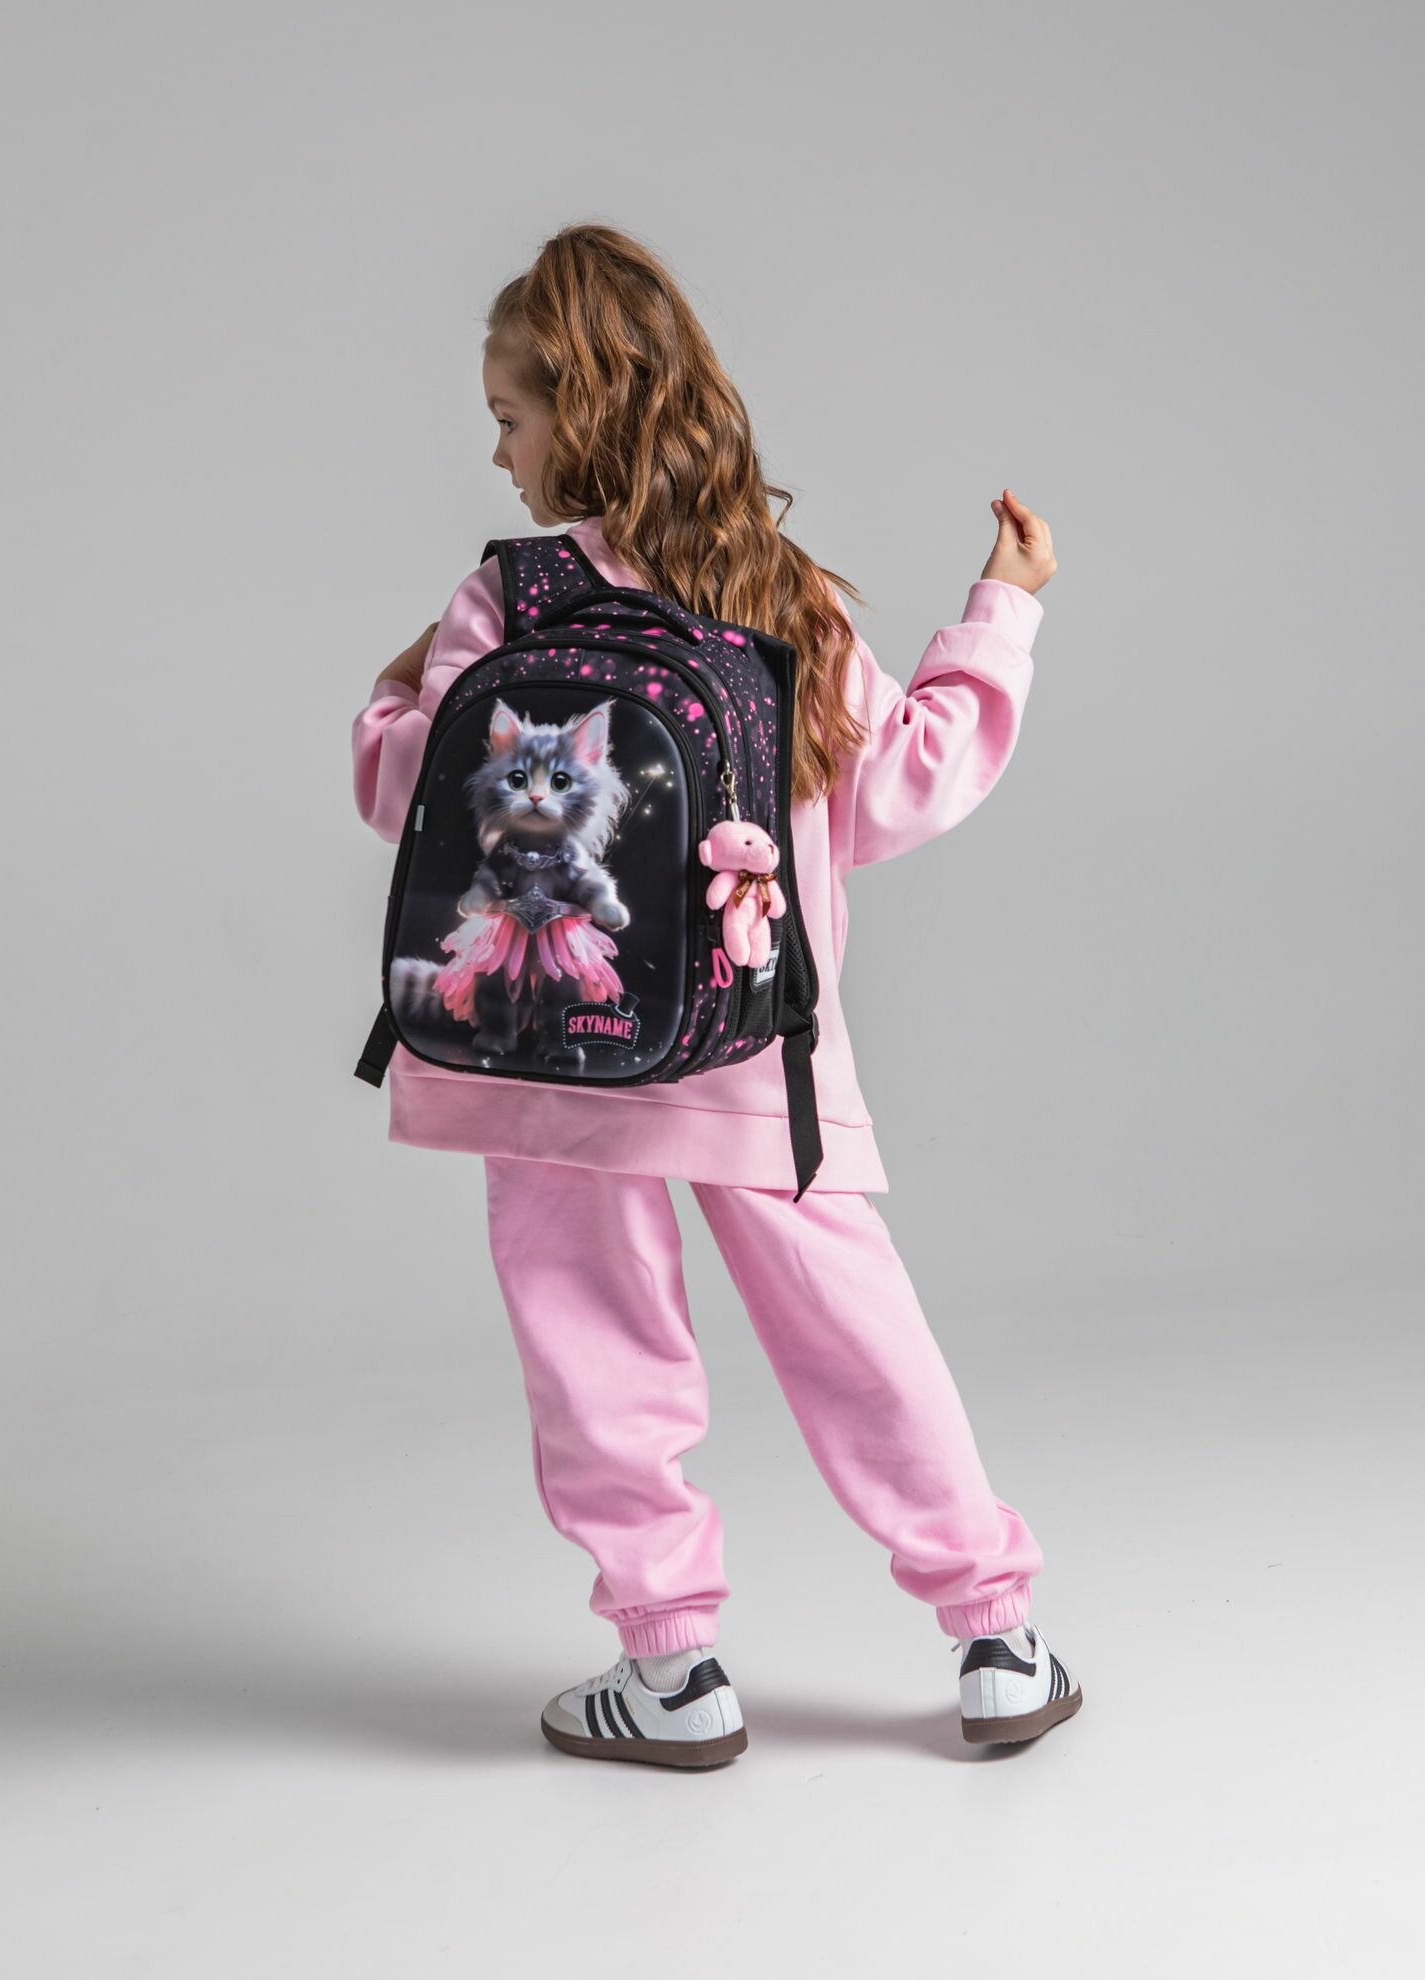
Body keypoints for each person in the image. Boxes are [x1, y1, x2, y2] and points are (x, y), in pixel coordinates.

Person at [351, 223, 1081, 1766]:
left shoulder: (508, 598)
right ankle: (997, 1640)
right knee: (855, 1335)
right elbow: (897, 790)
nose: (496, 451)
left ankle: (672, 1671)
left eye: (509, 416)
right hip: (755, 1049)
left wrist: (397, 687)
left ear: (580, 414)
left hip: (545, 1049)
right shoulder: (778, 589)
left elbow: (407, 798)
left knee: (596, 1352)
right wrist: (1000, 608)